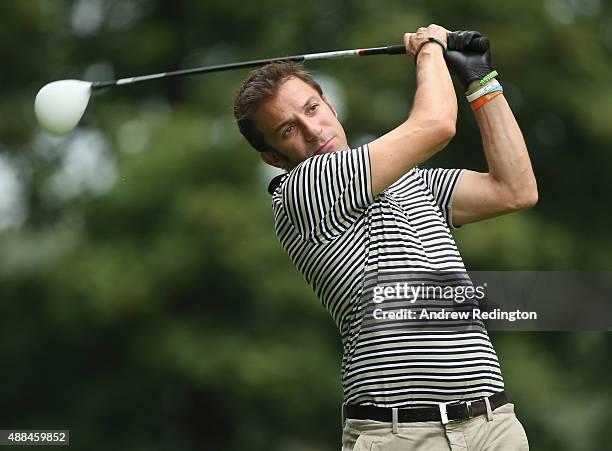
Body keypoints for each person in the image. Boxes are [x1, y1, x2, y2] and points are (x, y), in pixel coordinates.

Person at [233, 24, 536, 451]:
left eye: (313, 108)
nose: (313, 129)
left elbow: (515, 189)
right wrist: (430, 48)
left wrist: (482, 83)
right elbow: (436, 125)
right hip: (400, 435)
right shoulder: (303, 190)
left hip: (492, 424)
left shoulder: (412, 182)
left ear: (330, 106)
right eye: (288, 129)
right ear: (272, 156)